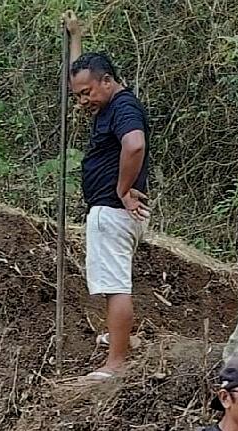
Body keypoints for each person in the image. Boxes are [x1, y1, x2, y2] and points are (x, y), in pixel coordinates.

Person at [63, 12, 150, 382]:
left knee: (116, 287)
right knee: (115, 282)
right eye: (78, 96)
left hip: (113, 209)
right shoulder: (110, 101)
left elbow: (135, 145)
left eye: (88, 93)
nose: (83, 101)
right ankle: (117, 342)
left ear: (108, 82)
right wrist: (75, 38)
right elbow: (79, 75)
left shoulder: (123, 106)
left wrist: (120, 190)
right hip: (115, 210)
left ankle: (116, 363)